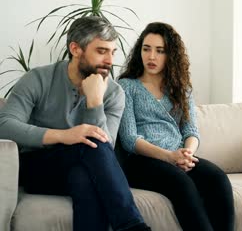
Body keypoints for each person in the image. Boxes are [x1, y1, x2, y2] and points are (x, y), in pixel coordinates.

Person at [0, 16, 151, 231]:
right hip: (38, 167)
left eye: (113, 52)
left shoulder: (114, 93)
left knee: (84, 176)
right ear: (75, 48)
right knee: (88, 146)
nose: (110, 60)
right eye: (101, 51)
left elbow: (104, 147)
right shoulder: (38, 79)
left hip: (82, 168)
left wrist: (95, 102)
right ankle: (132, 226)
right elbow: (4, 125)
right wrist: (63, 135)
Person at [118, 22, 235, 231]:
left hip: (178, 158)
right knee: (182, 184)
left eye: (160, 51)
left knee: (217, 178)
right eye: (146, 49)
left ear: (170, 55)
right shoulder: (127, 86)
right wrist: (169, 156)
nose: (151, 56)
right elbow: (129, 139)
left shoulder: (182, 89)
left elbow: (191, 131)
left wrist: (186, 154)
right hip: (141, 161)